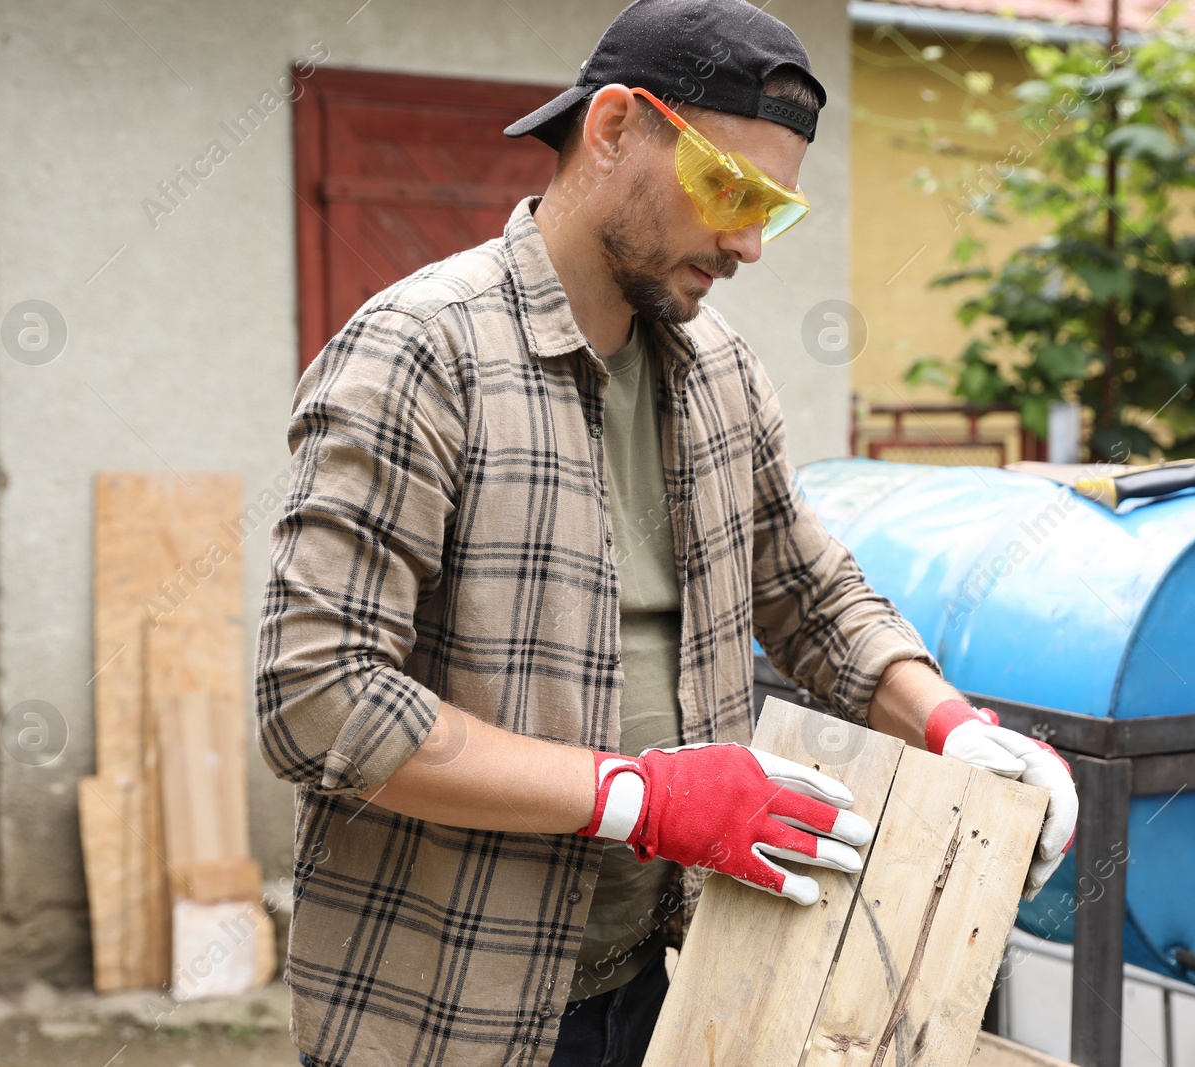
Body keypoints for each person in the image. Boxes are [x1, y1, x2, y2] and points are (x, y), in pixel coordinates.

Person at [257, 2, 1078, 1064]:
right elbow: (320, 699)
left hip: (658, 992)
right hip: (447, 1011)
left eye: (770, 211)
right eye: (729, 190)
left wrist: (956, 729)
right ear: (610, 132)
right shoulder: (421, 353)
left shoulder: (717, 366)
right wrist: (638, 796)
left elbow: (808, 589)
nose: (744, 243)